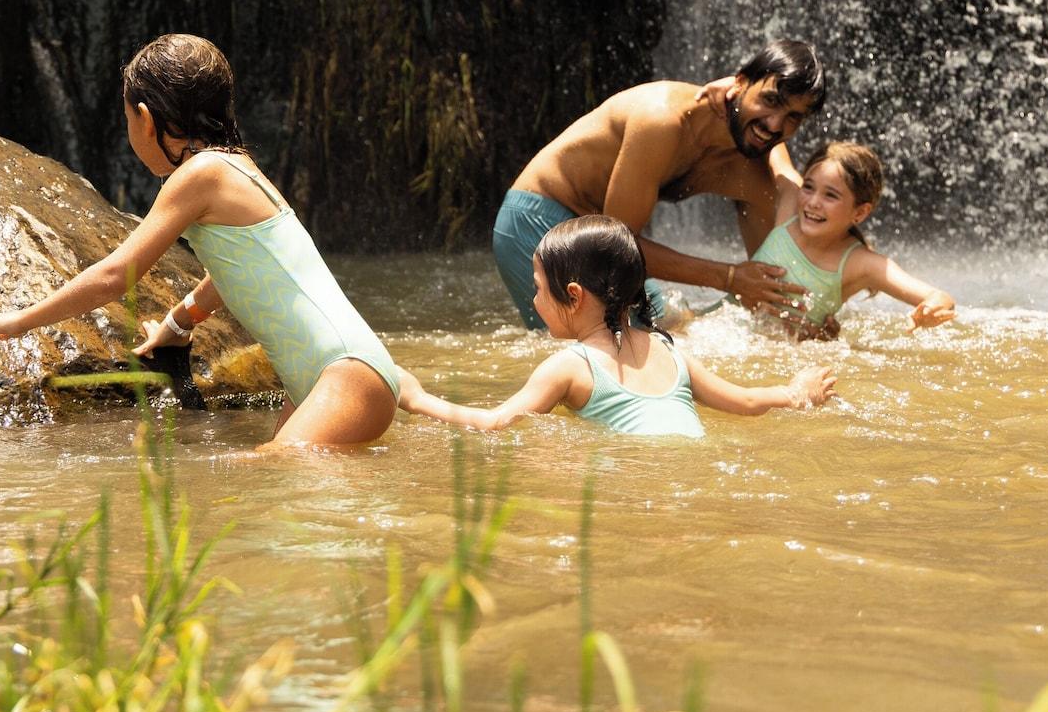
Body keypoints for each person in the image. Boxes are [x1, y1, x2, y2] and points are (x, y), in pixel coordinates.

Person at [0, 33, 415, 447]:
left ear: (145, 119)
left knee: (260, 474)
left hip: (345, 375)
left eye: (128, 121)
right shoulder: (235, 167)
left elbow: (117, 275)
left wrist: (22, 320)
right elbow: (233, 276)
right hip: (333, 377)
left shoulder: (201, 174)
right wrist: (177, 326)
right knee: (279, 520)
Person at [496, 39, 828, 331]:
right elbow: (617, 246)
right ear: (738, 84)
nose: (774, 124)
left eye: (793, 118)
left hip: (600, 242)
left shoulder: (753, 164)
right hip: (542, 218)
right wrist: (728, 276)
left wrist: (805, 319)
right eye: (769, 101)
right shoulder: (662, 121)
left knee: (680, 328)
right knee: (600, 352)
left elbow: (770, 277)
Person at [402, 215, 837, 437]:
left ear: (574, 295)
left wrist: (416, 398)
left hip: (641, 488)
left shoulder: (571, 366)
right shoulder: (669, 349)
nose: (534, 300)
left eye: (537, 288)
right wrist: (799, 392)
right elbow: (745, 400)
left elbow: (495, 425)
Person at [742, 141, 956, 337]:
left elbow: (941, 297)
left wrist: (929, 310)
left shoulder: (861, 264)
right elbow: (775, 148)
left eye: (830, 195)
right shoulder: (790, 209)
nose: (813, 202)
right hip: (723, 329)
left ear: (860, 213)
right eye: (808, 187)